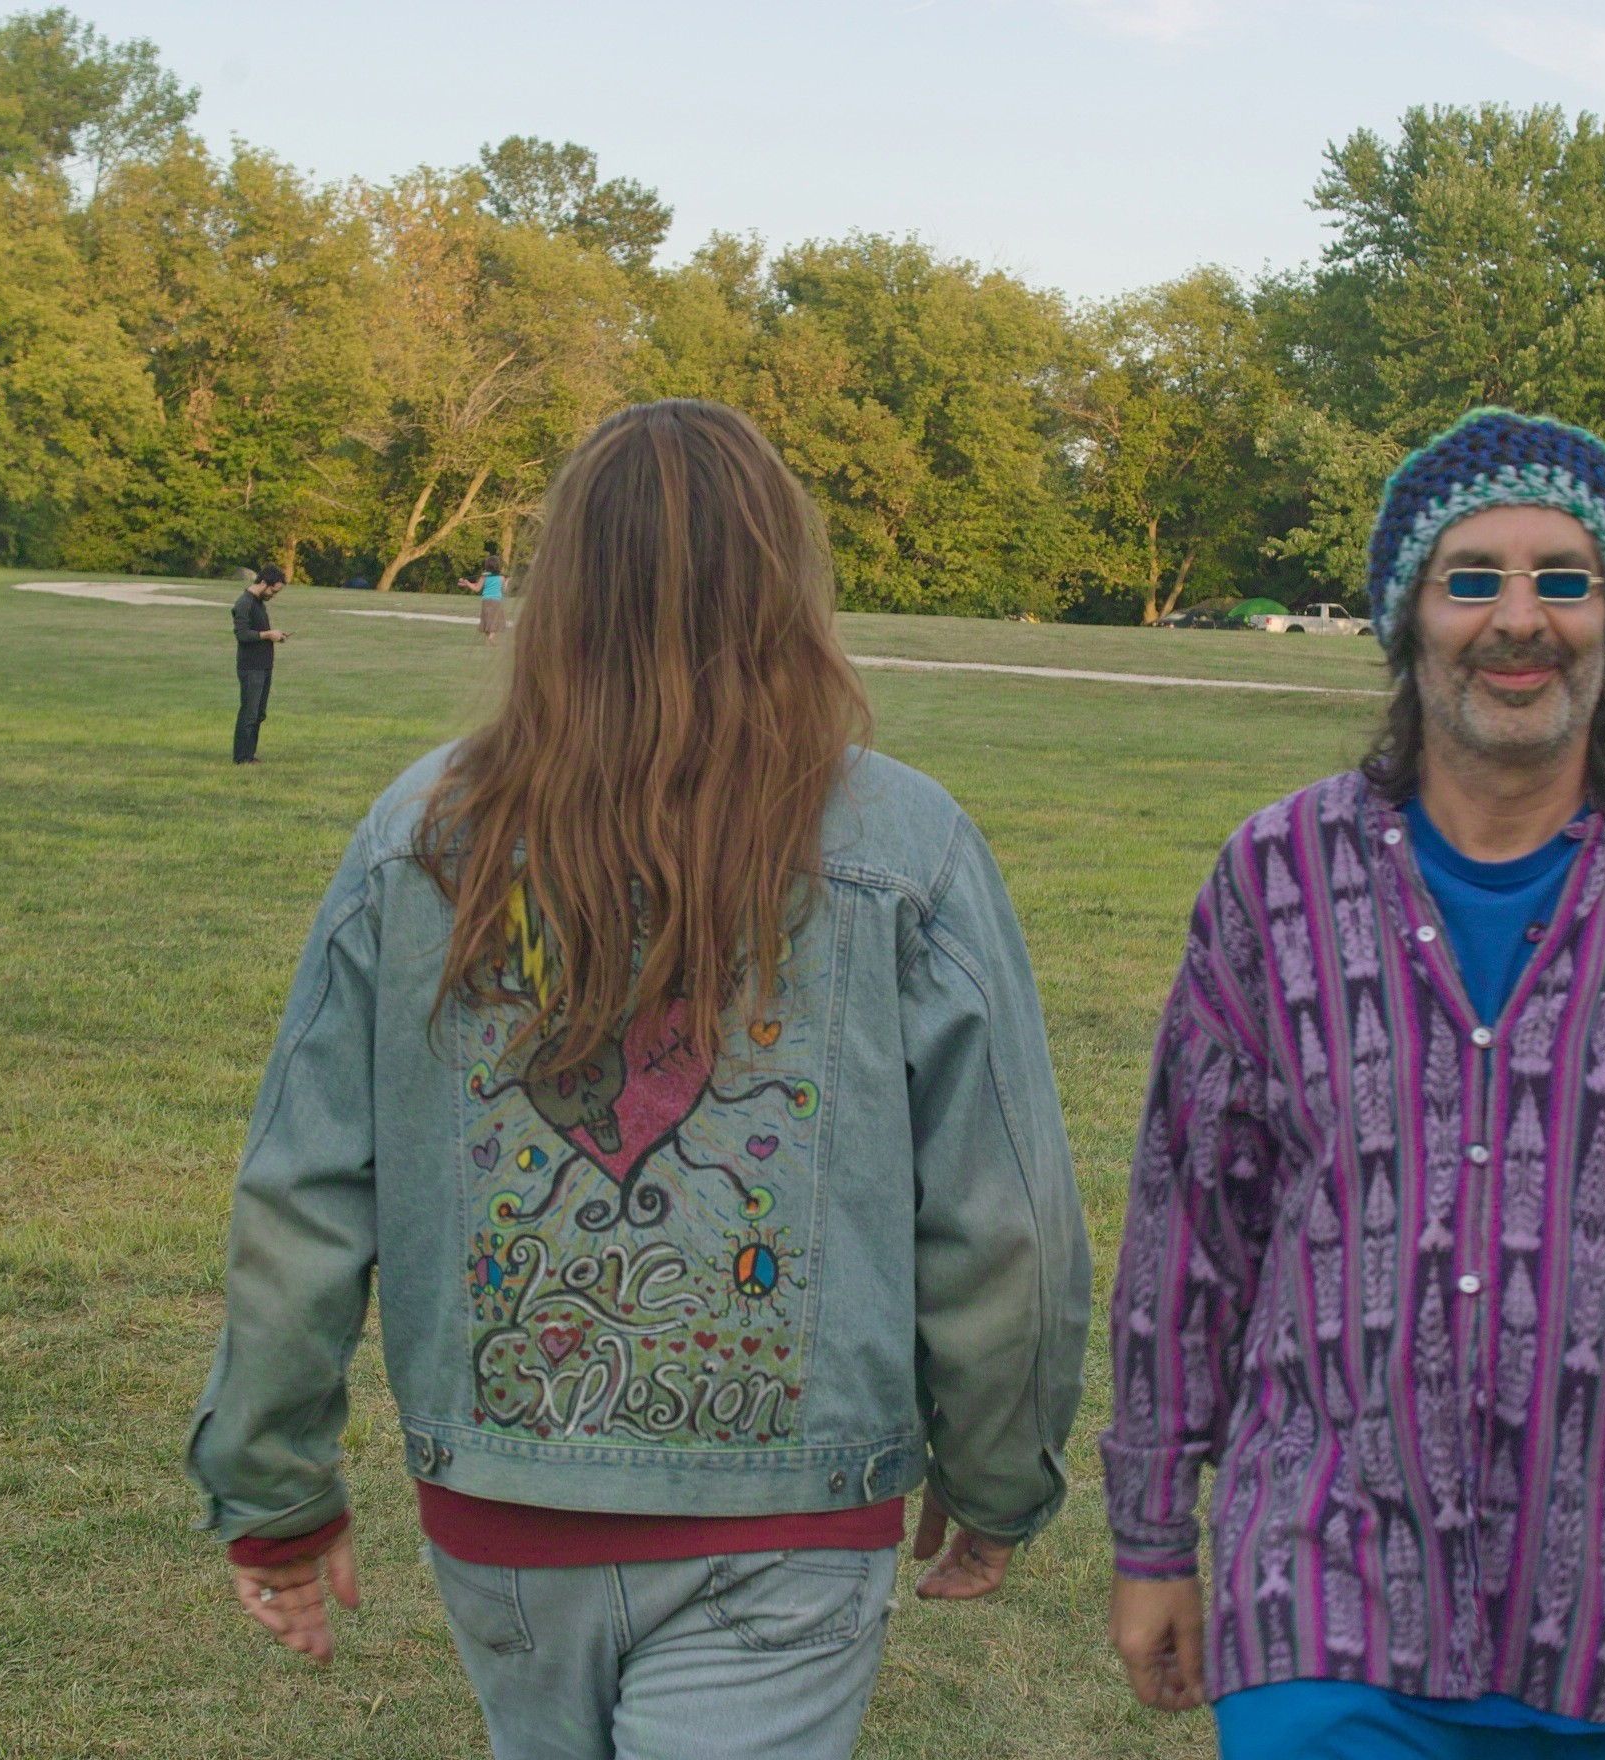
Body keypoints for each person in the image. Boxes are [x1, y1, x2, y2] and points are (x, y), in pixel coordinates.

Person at [187, 399, 1090, 1759]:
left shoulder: (419, 834)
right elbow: (1007, 1214)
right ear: (786, 585)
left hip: (511, 1513)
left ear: (559, 588)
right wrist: (998, 1465)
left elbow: (301, 1190)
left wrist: (272, 1485)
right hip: (785, 1522)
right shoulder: (902, 841)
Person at [1101, 409, 1605, 1758]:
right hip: (1322, 1592)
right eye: (1472, 577)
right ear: (1408, 616)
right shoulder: (1276, 878)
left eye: (1564, 577)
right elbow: (1187, 1225)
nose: (1519, 617)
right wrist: (1153, 1527)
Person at [232, 565, 286, 764]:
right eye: (273, 590)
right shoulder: (244, 603)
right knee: (249, 713)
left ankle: (250, 755)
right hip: (251, 667)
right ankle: (241, 757)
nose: (273, 595)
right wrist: (268, 634)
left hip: (264, 666)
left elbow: (258, 632)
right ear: (263, 583)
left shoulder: (259, 603)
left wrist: (275, 636)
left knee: (259, 714)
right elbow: (242, 634)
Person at [478, 549, 508, 642]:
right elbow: (504, 590)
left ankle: (488, 639)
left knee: (487, 618)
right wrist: (507, 581)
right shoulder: (501, 577)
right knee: (496, 618)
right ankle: (491, 636)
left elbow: (479, 587)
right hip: (496, 601)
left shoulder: (485, 576)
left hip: (485, 600)